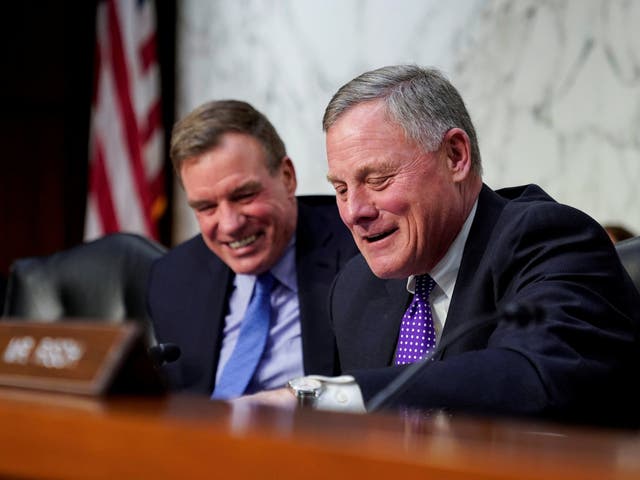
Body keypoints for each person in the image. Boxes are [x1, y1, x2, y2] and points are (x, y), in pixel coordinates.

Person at [247, 65, 640, 428]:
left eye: (378, 179)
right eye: (341, 188)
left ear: (455, 156)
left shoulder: (546, 239)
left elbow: (533, 376)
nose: (354, 212)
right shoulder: (354, 288)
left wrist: (324, 397)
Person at [147, 100, 357, 397]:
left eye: (244, 195)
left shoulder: (359, 251)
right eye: (206, 207)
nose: (229, 224)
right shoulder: (173, 278)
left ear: (287, 178)